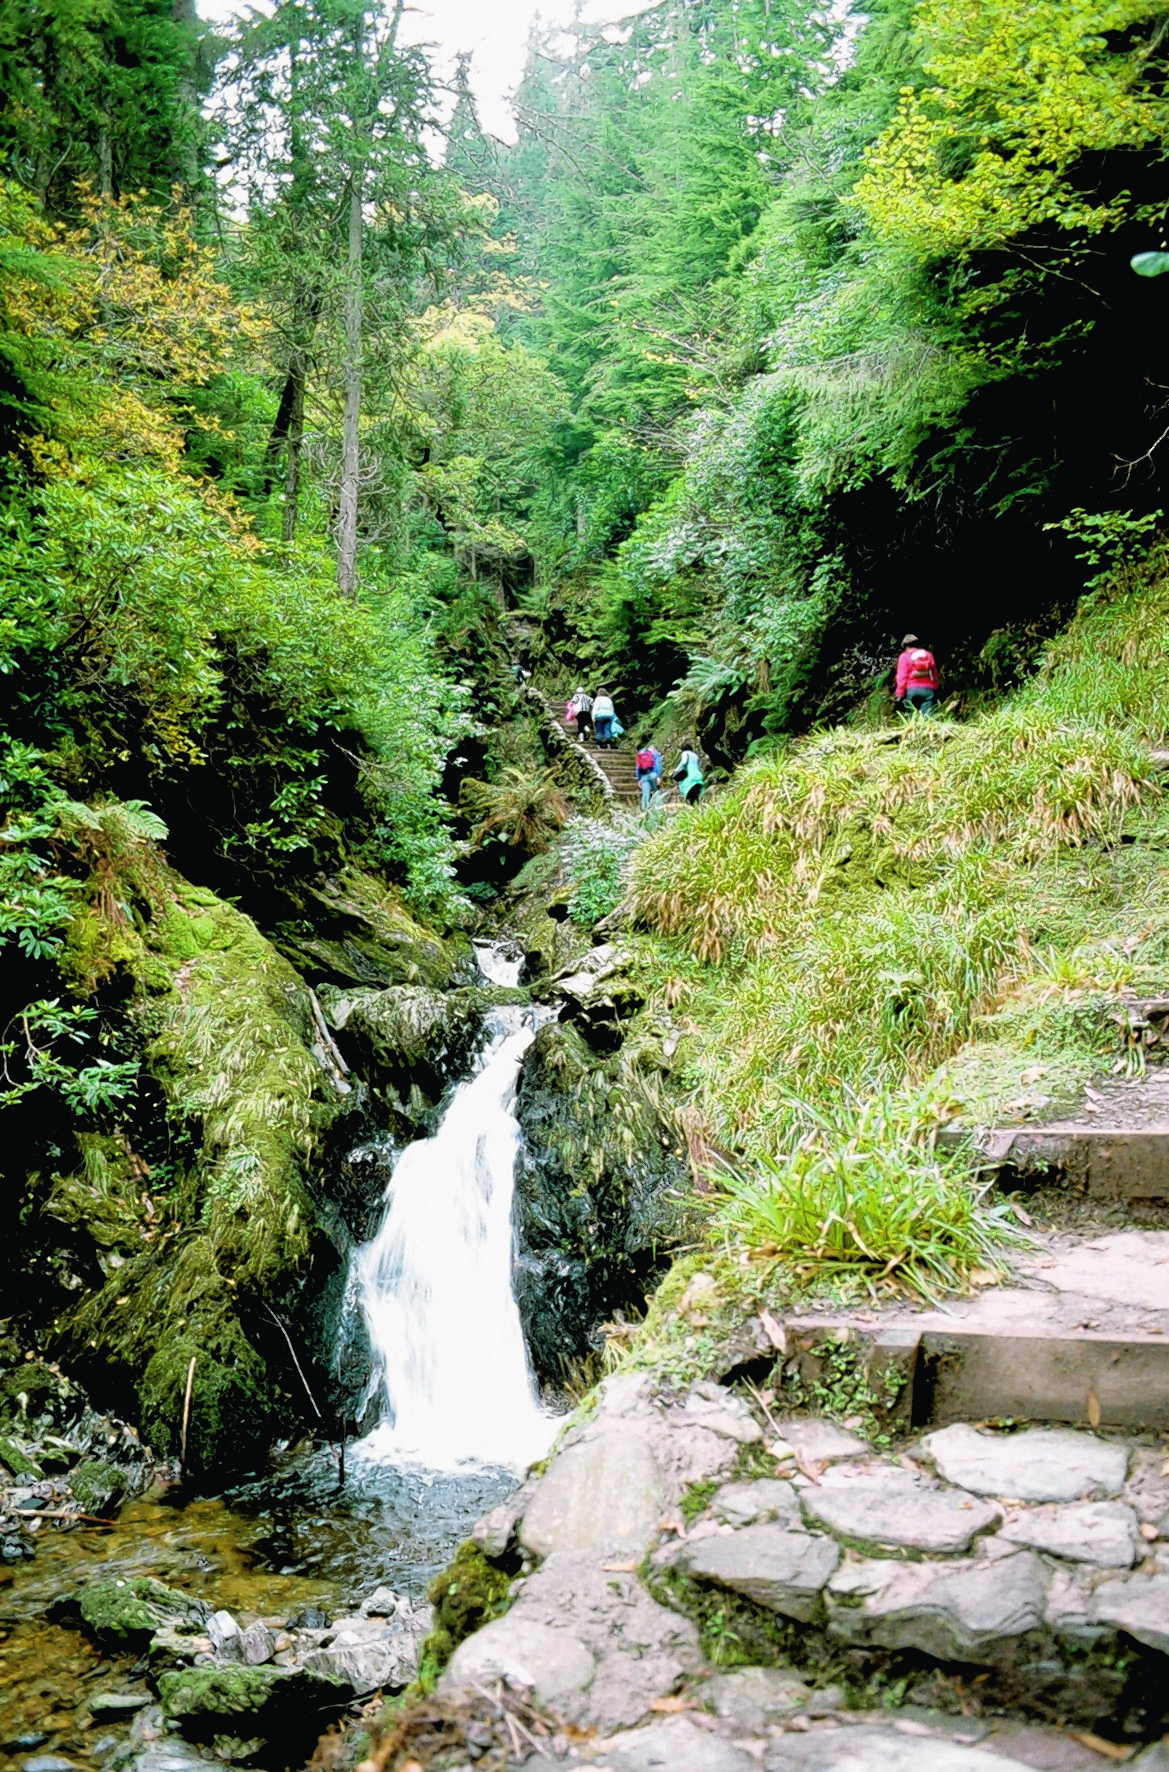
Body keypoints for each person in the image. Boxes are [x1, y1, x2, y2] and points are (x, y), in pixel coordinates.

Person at [894, 634, 939, 716]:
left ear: (905, 646)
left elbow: (902, 677)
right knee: (927, 710)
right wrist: (935, 686)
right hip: (928, 689)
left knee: (911, 710)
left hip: (912, 690)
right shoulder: (927, 655)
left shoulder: (904, 657)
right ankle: (926, 722)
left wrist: (899, 693)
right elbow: (934, 672)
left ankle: (913, 724)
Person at [635, 743, 662, 809]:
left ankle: (644, 810)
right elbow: (658, 765)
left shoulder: (641, 753)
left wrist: (639, 779)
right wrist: (658, 776)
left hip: (644, 776)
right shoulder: (656, 754)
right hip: (653, 775)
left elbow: (638, 767)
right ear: (654, 748)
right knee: (656, 790)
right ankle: (659, 806)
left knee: (645, 794)